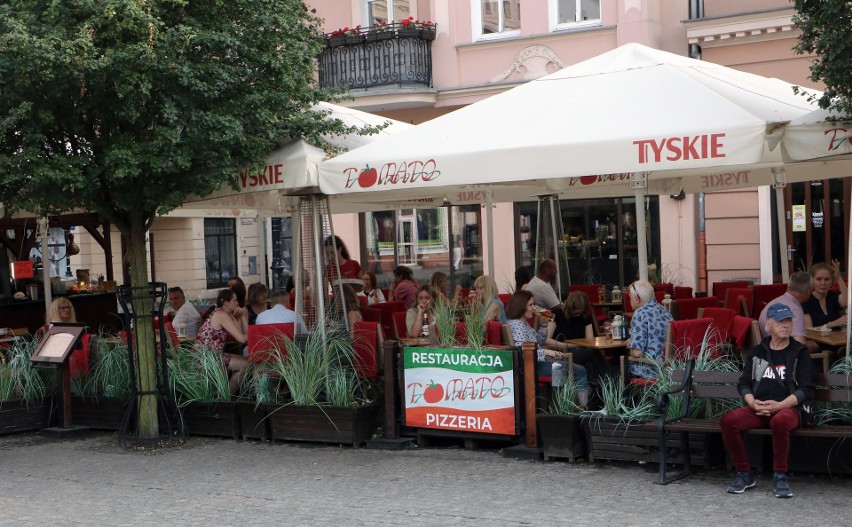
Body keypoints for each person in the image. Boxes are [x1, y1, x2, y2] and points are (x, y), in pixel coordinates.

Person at [720, 303, 814, 498]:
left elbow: (807, 389)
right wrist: (752, 402)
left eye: (788, 321)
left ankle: (780, 476)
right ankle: (744, 473)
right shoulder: (758, 352)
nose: (785, 325)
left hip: (788, 408)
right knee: (729, 421)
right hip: (759, 407)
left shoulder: (799, 353)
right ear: (768, 325)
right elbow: (744, 383)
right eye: (780, 321)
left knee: (779, 421)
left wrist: (779, 406)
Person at [505, 290, 589, 404]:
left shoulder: (520, 323)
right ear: (520, 306)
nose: (534, 308)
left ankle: (561, 406)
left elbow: (539, 340)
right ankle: (573, 407)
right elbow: (523, 350)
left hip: (534, 364)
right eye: (530, 305)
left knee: (563, 366)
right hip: (532, 367)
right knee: (577, 370)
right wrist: (547, 352)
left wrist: (544, 324)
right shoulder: (517, 326)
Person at [546, 291, 612, 383]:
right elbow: (547, 340)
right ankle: (610, 384)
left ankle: (598, 389)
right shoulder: (554, 314)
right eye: (575, 312)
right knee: (593, 352)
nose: (578, 315)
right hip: (561, 352)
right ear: (569, 307)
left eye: (580, 313)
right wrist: (571, 345)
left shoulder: (585, 316)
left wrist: (580, 346)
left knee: (591, 363)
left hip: (581, 351)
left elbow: (590, 340)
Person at [196, 289, 249, 394]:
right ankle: (226, 396)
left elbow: (242, 335)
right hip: (207, 357)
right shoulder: (221, 315)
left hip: (215, 355)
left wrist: (242, 316)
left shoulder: (228, 314)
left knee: (246, 362)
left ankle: (226, 395)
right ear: (225, 302)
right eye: (235, 300)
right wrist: (257, 334)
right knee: (246, 365)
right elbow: (242, 338)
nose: (238, 303)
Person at [627, 280, 673, 379]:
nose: (629, 300)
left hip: (651, 370)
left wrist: (630, 346)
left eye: (630, 297)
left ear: (636, 299)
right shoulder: (664, 310)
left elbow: (637, 353)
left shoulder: (640, 313)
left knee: (616, 367)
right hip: (669, 369)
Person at [757, 271, 812, 349]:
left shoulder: (772, 304)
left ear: (788, 287)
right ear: (808, 291)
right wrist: (818, 347)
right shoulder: (794, 309)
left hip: (770, 352)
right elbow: (799, 348)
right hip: (783, 357)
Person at [802, 260, 847, 330]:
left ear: (831, 282)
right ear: (812, 281)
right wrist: (832, 324)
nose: (823, 283)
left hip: (838, 339)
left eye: (827, 279)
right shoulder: (805, 301)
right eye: (818, 279)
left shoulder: (833, 296)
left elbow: (846, 303)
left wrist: (838, 278)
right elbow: (809, 331)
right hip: (817, 340)